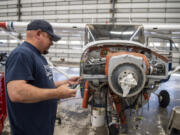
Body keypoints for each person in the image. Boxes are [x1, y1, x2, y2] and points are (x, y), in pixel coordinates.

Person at [5, 19, 80, 135]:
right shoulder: (21, 54)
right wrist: (57, 93)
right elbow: (16, 92)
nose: (52, 43)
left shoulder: (39, 56)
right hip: (29, 130)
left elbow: (42, 83)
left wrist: (66, 82)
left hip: (42, 127)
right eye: (50, 38)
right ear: (38, 34)